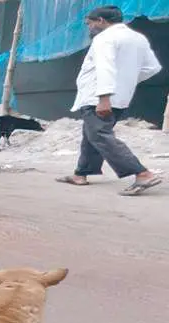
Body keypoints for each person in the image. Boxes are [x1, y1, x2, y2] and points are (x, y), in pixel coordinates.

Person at [56, 5, 162, 196]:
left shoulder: (104, 38)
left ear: (101, 21)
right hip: (119, 96)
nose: (89, 28)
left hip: (98, 97)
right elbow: (152, 68)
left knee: (99, 135)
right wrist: (125, 80)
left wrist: (103, 97)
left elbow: (105, 67)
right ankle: (81, 174)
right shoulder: (137, 38)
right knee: (92, 134)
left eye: (90, 24)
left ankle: (142, 173)